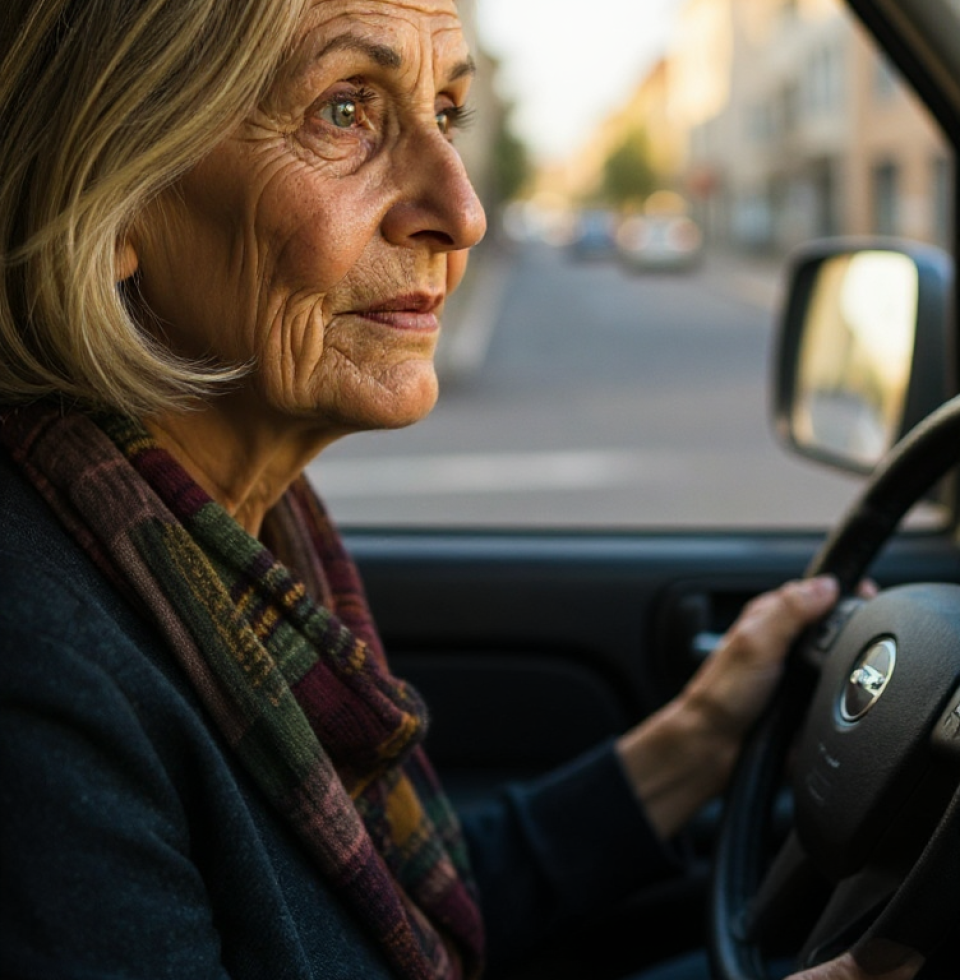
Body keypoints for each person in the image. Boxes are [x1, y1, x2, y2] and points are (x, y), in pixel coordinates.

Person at [0, 2, 923, 978]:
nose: (463, 210)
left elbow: (400, 915)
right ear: (107, 197)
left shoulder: (228, 537)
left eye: (446, 111)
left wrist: (698, 734)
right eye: (344, 110)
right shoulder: (41, 666)